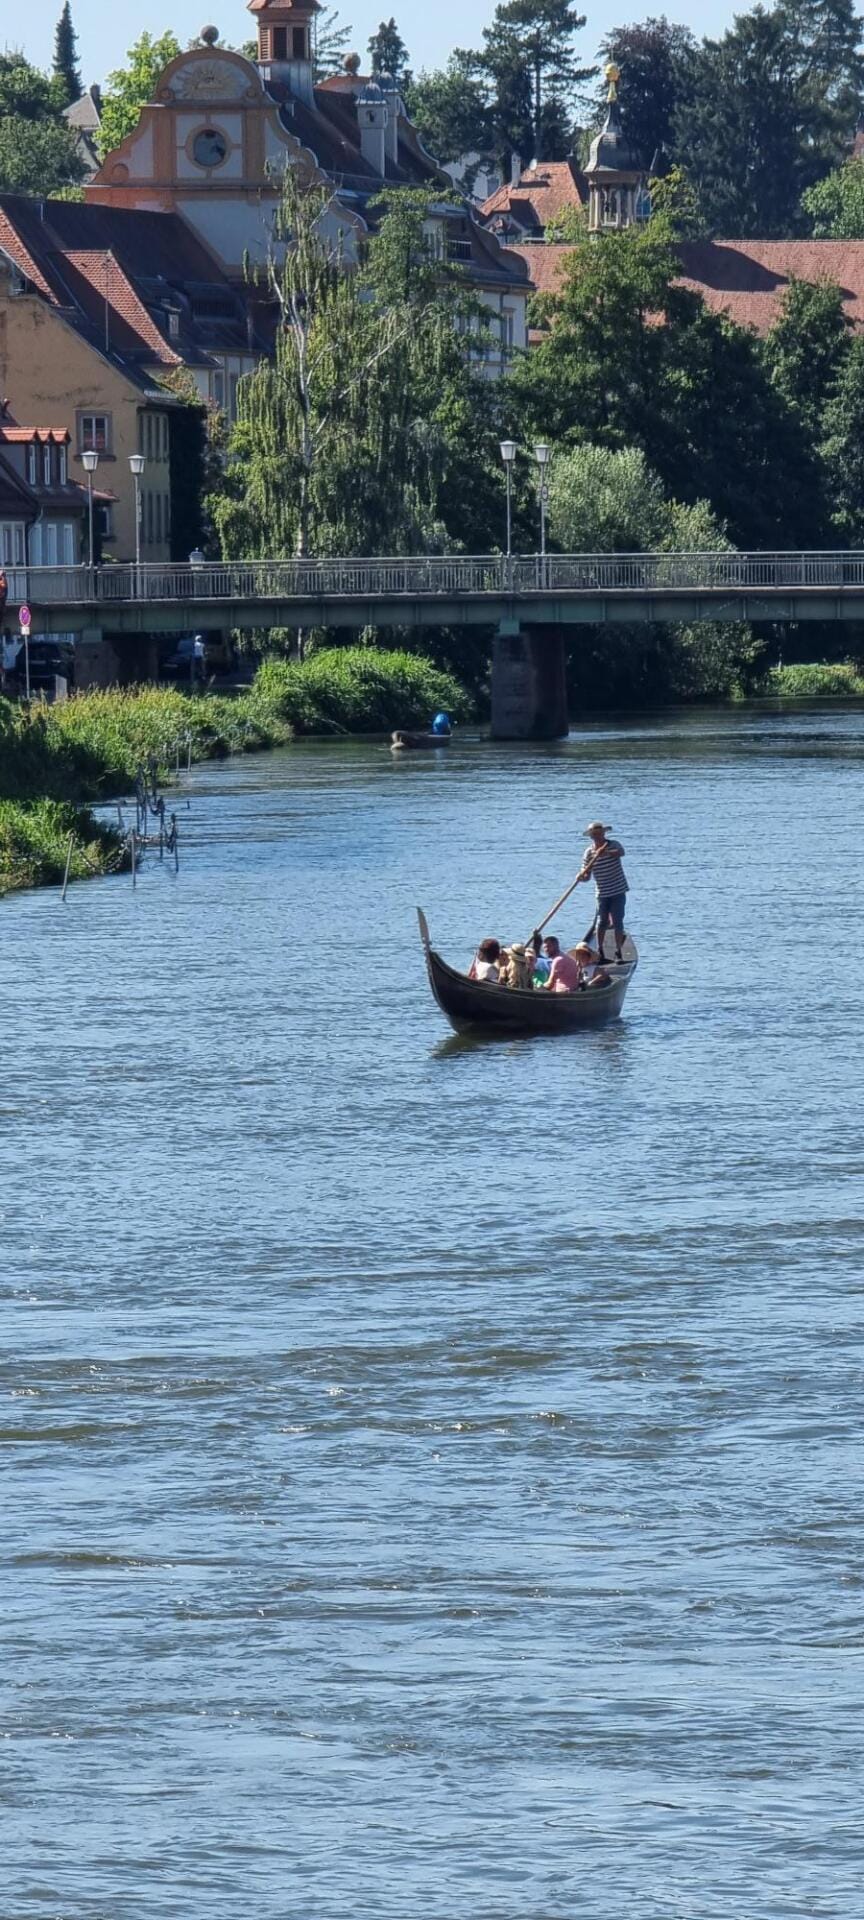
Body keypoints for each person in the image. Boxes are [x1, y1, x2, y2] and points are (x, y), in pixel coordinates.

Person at [575, 820, 629, 964]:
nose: (597, 837)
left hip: (618, 890)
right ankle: (600, 952)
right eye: (594, 835)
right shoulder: (588, 853)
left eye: (599, 834)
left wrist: (605, 852)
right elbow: (586, 876)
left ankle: (618, 952)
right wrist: (581, 876)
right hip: (602, 892)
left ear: (603, 833)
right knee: (602, 922)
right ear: (591, 837)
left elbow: (621, 853)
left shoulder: (613, 845)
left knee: (617, 922)